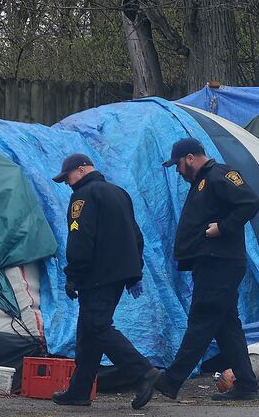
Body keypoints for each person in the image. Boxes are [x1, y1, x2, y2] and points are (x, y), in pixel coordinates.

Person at [51, 153, 160, 410]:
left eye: (67, 177)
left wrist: (73, 275)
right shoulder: (118, 192)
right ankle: (79, 391)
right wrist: (134, 272)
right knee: (88, 332)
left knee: (98, 326)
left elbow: (80, 239)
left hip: (96, 274)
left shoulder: (83, 196)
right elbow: (136, 234)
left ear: (80, 170)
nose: (67, 182)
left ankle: (142, 372)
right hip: (118, 275)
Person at [155, 138, 259, 401]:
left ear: (190, 157)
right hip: (211, 262)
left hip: (220, 263)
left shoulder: (220, 175)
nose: (178, 171)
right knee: (227, 327)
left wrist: (223, 228)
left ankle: (170, 381)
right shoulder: (201, 182)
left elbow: (250, 201)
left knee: (201, 321)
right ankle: (246, 385)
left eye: (178, 164)